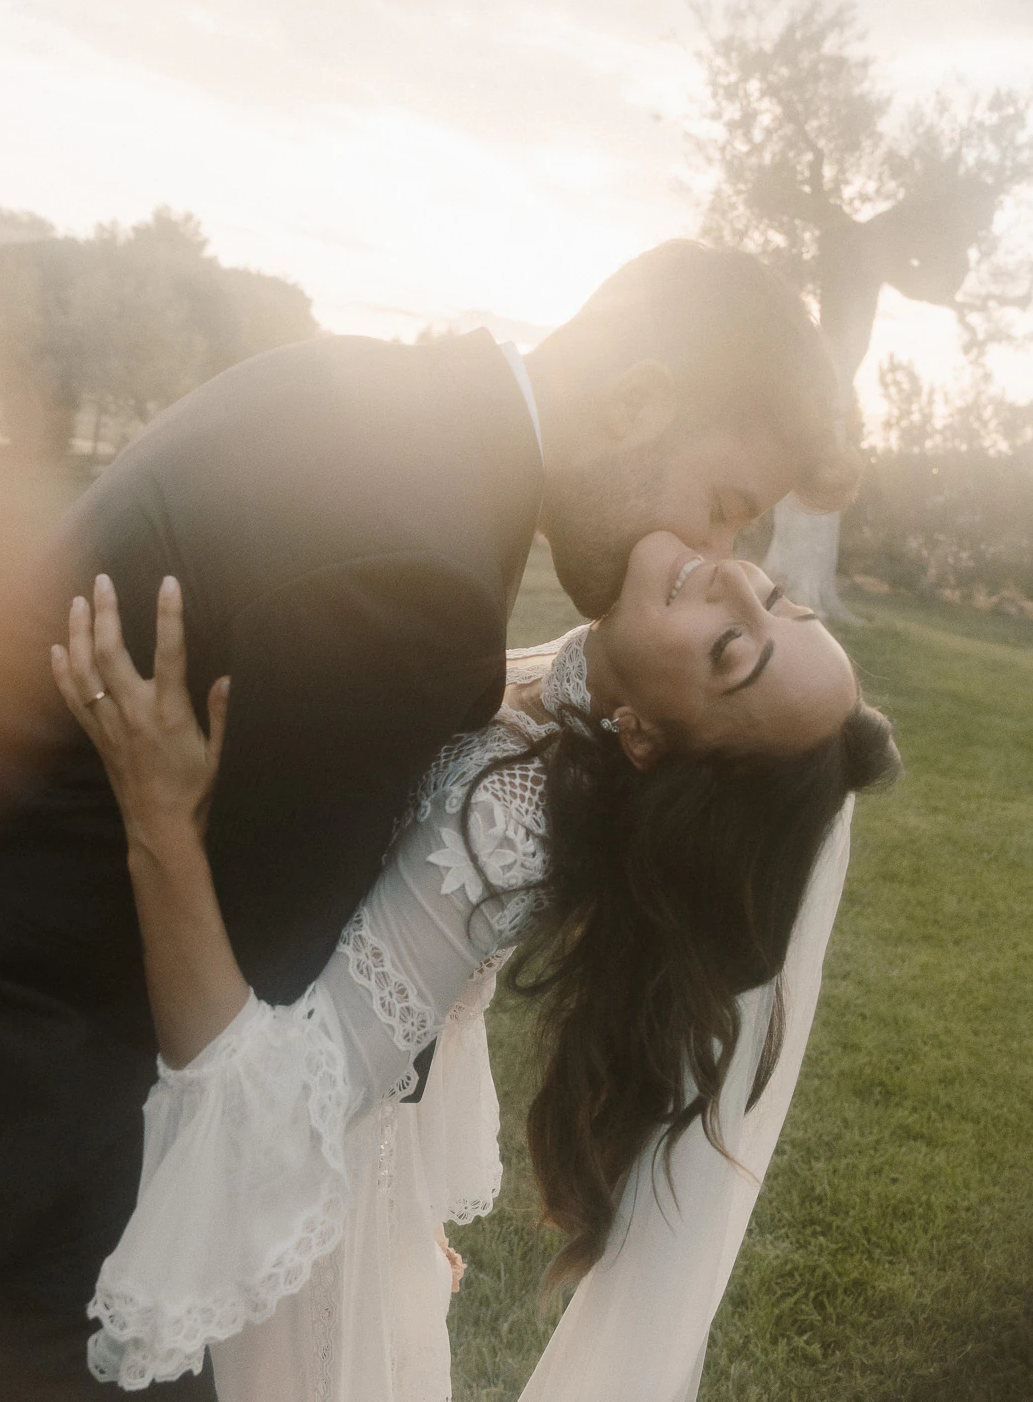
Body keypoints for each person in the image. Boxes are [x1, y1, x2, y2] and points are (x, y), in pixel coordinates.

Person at [0, 238, 855, 1399]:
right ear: (635, 403)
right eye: (727, 508)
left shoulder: (372, 400)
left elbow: (310, 1036)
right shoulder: (427, 578)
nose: (717, 558)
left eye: (748, 583)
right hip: (36, 1126)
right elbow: (263, 1051)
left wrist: (166, 822)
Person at [49, 538, 900, 1398]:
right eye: (775, 594)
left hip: (285, 1249)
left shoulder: (512, 819)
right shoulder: (581, 678)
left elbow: (262, 1123)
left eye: (731, 648)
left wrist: (158, 817)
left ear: (642, 738)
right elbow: (442, 1007)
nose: (732, 580)